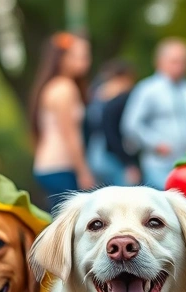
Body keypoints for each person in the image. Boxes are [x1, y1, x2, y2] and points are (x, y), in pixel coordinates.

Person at [121, 38, 186, 190]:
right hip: (158, 166)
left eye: (184, 61)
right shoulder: (147, 90)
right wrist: (155, 144)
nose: (180, 66)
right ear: (160, 61)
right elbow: (131, 124)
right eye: (175, 61)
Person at [29, 32, 93, 209]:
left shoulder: (53, 86)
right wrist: (83, 171)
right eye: (78, 56)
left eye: (86, 56)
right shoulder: (65, 88)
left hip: (49, 166)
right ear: (61, 58)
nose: (85, 61)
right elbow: (70, 135)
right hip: (60, 166)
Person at [86, 60, 140, 186]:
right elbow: (111, 132)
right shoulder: (117, 98)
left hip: (94, 151)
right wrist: (128, 163)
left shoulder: (96, 93)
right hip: (109, 153)